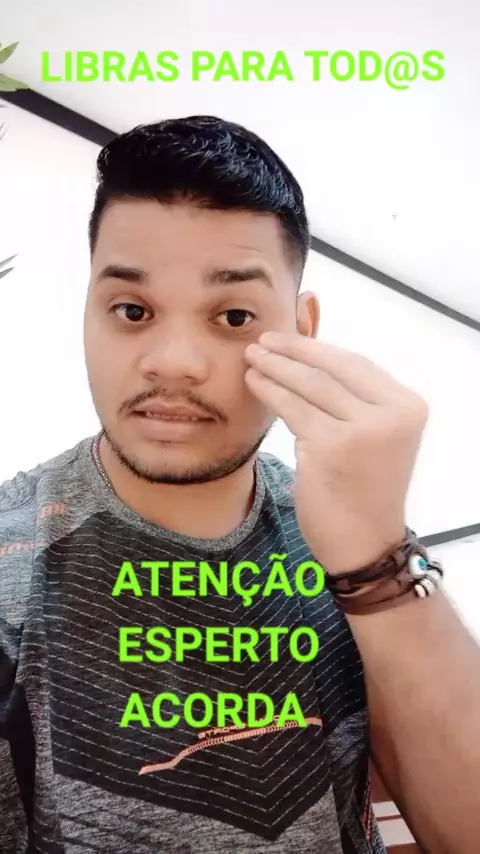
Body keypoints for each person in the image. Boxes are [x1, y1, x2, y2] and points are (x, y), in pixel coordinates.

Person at [0, 115, 479, 854]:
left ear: (302, 329)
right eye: (132, 310)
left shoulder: (344, 531)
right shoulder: (16, 562)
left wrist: (375, 556)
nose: (173, 360)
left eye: (232, 316)